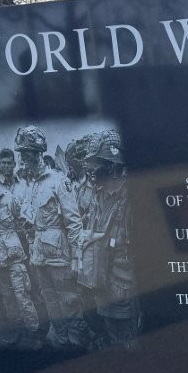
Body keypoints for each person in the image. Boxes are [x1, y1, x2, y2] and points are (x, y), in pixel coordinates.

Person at [11, 125, 84, 349]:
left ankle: (77, 344)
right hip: (39, 255)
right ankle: (62, 339)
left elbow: (74, 222)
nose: (22, 157)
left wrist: (77, 257)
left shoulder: (58, 181)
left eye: (26, 152)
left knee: (69, 300)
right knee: (49, 300)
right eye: (21, 153)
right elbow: (27, 221)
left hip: (60, 255)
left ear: (38, 152)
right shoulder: (28, 184)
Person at [76, 129, 140, 348]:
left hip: (124, 287)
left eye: (97, 163)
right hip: (101, 284)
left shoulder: (132, 197)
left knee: (128, 342)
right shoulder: (99, 194)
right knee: (111, 337)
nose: (92, 169)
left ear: (113, 166)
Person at [0, 157, 39, 346]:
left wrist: (32, 238)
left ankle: (33, 331)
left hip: (13, 254)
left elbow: (24, 217)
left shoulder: (8, 197)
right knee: (7, 296)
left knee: (22, 294)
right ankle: (17, 329)